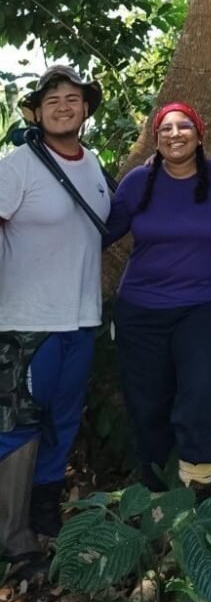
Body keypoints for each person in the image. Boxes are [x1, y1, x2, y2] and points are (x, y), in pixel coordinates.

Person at [105, 102, 211, 491]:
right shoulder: (137, 184)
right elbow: (100, 234)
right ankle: (157, 495)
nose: (175, 134)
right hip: (141, 309)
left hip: (207, 305)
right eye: (166, 129)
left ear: (199, 134)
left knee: (204, 389)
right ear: (155, 140)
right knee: (147, 404)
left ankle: (196, 490)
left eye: (184, 126)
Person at [0, 65, 110, 562]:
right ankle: (10, 532)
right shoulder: (17, 165)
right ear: (38, 113)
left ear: (85, 109)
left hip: (82, 318)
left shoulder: (95, 167)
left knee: (63, 419)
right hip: (26, 322)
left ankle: (43, 518)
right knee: (19, 423)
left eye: (73, 98)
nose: (64, 106)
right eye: (53, 100)